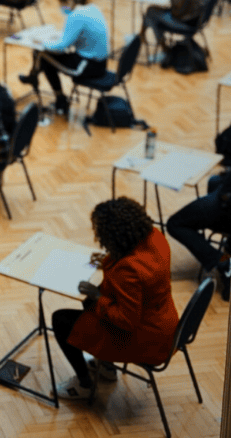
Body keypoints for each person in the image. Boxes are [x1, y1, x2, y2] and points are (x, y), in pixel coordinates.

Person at [50, 197, 179, 400]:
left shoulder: (129, 270)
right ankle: (106, 367)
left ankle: (84, 384)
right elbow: (138, 262)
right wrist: (109, 259)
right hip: (165, 323)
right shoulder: (155, 236)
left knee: (61, 320)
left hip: (144, 338)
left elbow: (126, 321)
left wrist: (97, 295)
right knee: (90, 304)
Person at [20, 0, 108, 117]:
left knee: (42, 55)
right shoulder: (92, 8)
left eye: (63, 4)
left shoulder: (76, 15)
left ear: (70, 1)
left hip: (87, 67)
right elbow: (77, 36)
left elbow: (62, 46)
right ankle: (34, 76)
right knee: (46, 55)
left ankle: (59, 98)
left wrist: (42, 43)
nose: (62, 8)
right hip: (99, 64)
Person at [167, 168, 231, 300]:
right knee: (214, 180)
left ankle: (222, 261)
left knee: (175, 224)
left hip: (226, 205)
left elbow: (225, 196)